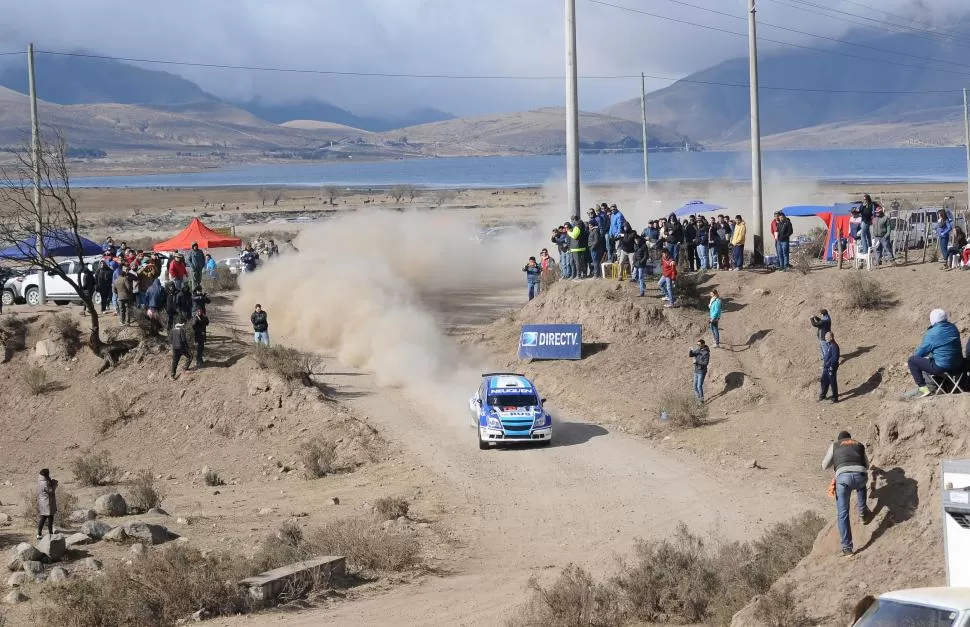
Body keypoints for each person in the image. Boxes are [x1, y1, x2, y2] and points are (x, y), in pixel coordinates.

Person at [821, 431, 871, 556]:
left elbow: (824, 465)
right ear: (850, 438)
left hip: (843, 480)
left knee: (843, 514)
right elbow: (867, 464)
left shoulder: (835, 445)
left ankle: (847, 549)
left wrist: (836, 460)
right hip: (861, 476)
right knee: (861, 486)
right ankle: (863, 513)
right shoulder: (858, 444)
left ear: (839, 439)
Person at [906, 308, 963, 398]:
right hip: (959, 366)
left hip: (943, 367)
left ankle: (923, 389)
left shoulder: (933, 333)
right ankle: (944, 386)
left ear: (933, 320)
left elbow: (920, 353)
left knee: (912, 361)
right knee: (935, 357)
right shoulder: (953, 328)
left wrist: (923, 358)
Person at [36, 468, 57, 540]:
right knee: (50, 518)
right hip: (47, 502)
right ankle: (50, 534)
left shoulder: (40, 481)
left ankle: (39, 534)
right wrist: (54, 484)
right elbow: (51, 491)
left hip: (42, 502)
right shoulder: (45, 483)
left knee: (43, 518)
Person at [169, 314, 192, 379]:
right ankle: (185, 368)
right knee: (190, 357)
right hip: (181, 348)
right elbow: (184, 340)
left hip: (174, 348)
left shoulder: (172, 330)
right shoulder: (181, 330)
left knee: (175, 361)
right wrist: (188, 348)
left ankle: (172, 375)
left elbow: (170, 340)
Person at [820, 331, 841, 403]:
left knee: (832, 382)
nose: (825, 338)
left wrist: (828, 364)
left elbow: (835, 358)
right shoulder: (829, 345)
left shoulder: (835, 346)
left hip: (831, 367)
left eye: (827, 337)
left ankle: (835, 398)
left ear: (831, 337)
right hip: (826, 367)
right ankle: (823, 395)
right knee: (823, 380)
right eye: (825, 337)